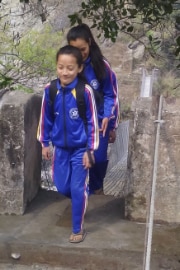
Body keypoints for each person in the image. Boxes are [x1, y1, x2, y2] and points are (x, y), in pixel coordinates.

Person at [37, 45, 99, 243]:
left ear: (79, 68)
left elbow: (92, 122)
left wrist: (90, 150)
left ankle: (77, 229)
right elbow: (45, 118)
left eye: (70, 68)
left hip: (80, 149)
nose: (65, 72)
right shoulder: (51, 90)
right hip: (60, 149)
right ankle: (81, 197)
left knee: (77, 188)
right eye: (61, 67)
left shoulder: (85, 92)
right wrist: (44, 143)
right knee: (62, 187)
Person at [67, 23, 120, 195]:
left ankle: (96, 187)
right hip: (76, 123)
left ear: (89, 42)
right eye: (74, 49)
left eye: (82, 49)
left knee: (96, 159)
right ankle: (81, 197)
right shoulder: (68, 66)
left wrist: (110, 121)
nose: (79, 54)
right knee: (76, 161)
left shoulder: (101, 66)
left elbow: (111, 95)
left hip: (99, 124)